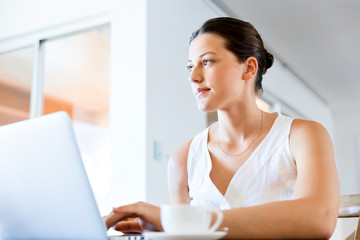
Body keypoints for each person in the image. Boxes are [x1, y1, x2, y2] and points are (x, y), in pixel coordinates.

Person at [104, 17, 340, 239]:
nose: (193, 77)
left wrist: (179, 220)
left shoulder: (303, 136)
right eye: (190, 66)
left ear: (248, 68)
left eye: (206, 61)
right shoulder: (183, 158)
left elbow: (319, 219)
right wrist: (162, 230)